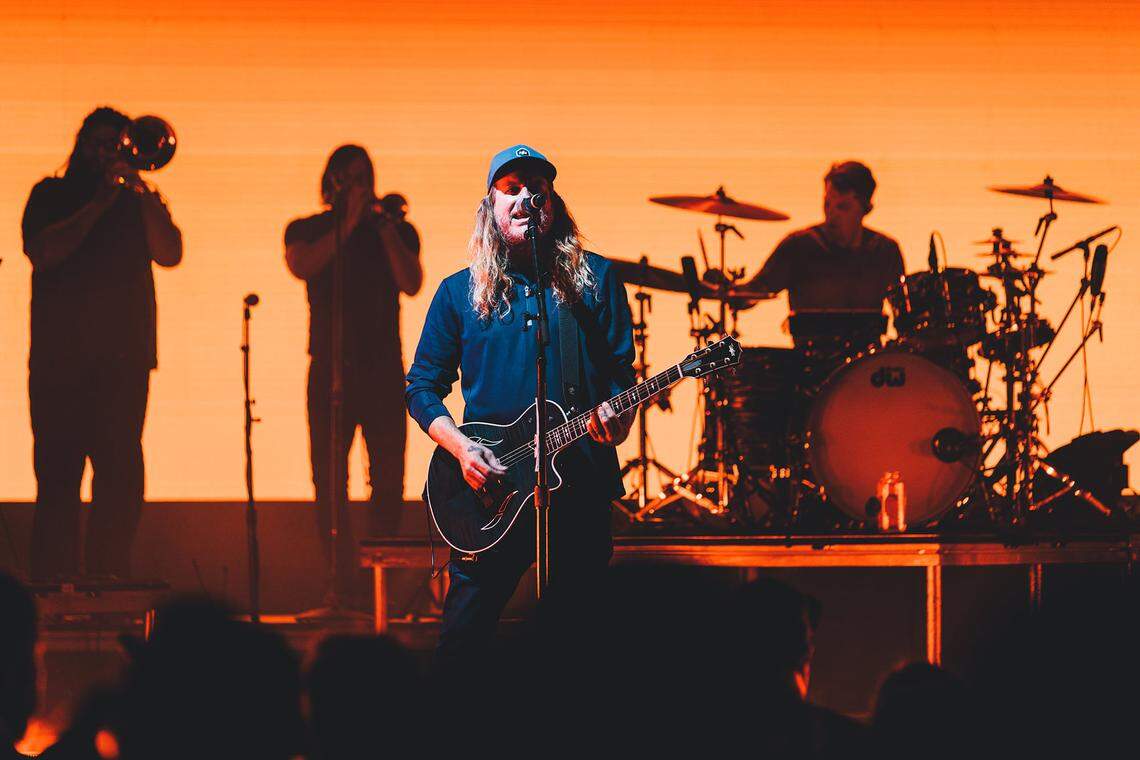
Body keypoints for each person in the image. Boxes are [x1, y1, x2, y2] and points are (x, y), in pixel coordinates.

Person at [405, 144, 635, 673]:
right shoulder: (457, 293)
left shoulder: (596, 281)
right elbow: (422, 386)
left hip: (577, 485)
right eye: (512, 189)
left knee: (578, 648)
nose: (527, 197)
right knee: (462, 644)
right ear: (490, 204)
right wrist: (461, 448)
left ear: (553, 204)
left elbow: (620, 375)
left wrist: (617, 422)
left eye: (538, 189)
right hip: (490, 492)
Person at [21, 107, 183, 581]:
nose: (109, 153)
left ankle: (109, 579)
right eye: (100, 144)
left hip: (124, 360)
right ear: (80, 145)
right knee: (58, 479)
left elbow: (170, 253)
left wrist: (142, 192)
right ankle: (54, 588)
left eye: (118, 144)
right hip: (59, 364)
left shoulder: (139, 200)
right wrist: (97, 204)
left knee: (121, 479)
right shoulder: (51, 194)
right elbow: (43, 253)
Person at [285, 145, 423, 599]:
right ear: (333, 182)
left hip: (382, 368)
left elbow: (412, 282)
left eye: (365, 176)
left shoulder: (395, 230)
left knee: (387, 478)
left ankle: (375, 580)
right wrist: (345, 225)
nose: (360, 184)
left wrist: (381, 228)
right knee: (328, 479)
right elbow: (302, 264)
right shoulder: (309, 228)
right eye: (350, 177)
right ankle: (338, 581)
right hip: (330, 369)